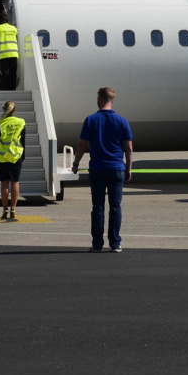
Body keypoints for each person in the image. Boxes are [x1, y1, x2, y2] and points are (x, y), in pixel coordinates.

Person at [71, 86, 133, 252]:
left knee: (98, 207)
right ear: (111, 100)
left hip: (97, 168)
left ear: (100, 99)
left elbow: (82, 145)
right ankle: (115, 243)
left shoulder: (91, 120)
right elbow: (128, 147)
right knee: (115, 207)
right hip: (116, 168)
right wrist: (128, 168)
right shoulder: (122, 121)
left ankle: (97, 244)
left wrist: (76, 164)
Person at [0, 99, 26, 221]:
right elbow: (23, 140)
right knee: (15, 182)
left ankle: (4, 209)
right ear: (14, 110)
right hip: (16, 156)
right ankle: (13, 209)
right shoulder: (21, 122)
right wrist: (23, 156)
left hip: (3, 156)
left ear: (4, 109)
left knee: (4, 183)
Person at [0, 10, 20, 91]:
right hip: (14, 53)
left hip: (4, 53)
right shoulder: (14, 28)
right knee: (13, 72)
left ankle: (5, 89)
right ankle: (13, 88)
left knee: (5, 72)